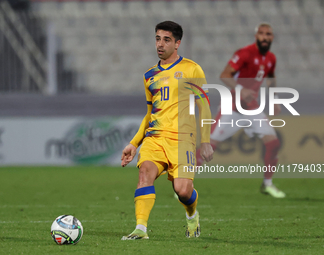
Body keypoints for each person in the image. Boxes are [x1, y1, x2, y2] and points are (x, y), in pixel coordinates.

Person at [121, 21, 213, 240]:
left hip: (183, 141)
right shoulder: (149, 76)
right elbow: (149, 114)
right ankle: (140, 229)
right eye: (157, 38)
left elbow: (205, 107)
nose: (160, 44)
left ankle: (192, 214)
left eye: (166, 39)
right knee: (144, 174)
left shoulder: (192, 69)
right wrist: (134, 143)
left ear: (177, 43)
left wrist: (206, 141)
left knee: (182, 190)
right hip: (155, 139)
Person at [196, 23, 285, 198]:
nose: (265, 37)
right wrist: (241, 90)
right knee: (208, 147)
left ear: (272, 38)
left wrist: (274, 99)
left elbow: (271, 78)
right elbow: (224, 75)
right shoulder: (245, 53)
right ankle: (185, 182)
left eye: (269, 34)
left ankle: (267, 184)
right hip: (233, 108)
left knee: (273, 144)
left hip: (253, 110)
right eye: (262, 34)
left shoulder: (271, 58)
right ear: (256, 36)